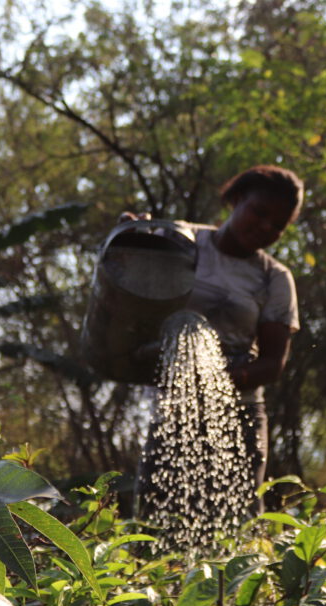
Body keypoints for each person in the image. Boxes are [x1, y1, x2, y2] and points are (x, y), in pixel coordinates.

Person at [124, 165, 303, 492]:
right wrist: (130, 236)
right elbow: (130, 278)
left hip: (239, 413)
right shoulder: (180, 240)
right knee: (155, 510)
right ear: (236, 199)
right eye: (259, 212)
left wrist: (212, 382)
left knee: (238, 520)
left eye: (277, 225)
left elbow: (273, 363)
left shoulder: (273, 277)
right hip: (173, 409)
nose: (265, 227)